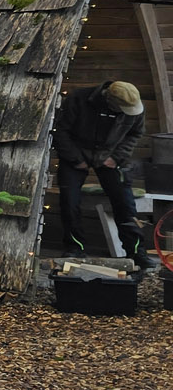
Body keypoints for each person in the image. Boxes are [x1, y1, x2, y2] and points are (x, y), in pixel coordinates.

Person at [54, 79, 146, 257]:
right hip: (76, 153)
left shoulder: (134, 105)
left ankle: (136, 252)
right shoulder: (78, 99)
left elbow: (135, 134)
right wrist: (75, 159)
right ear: (109, 99)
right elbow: (61, 130)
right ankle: (75, 248)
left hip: (110, 156)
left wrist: (116, 157)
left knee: (125, 203)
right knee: (69, 201)